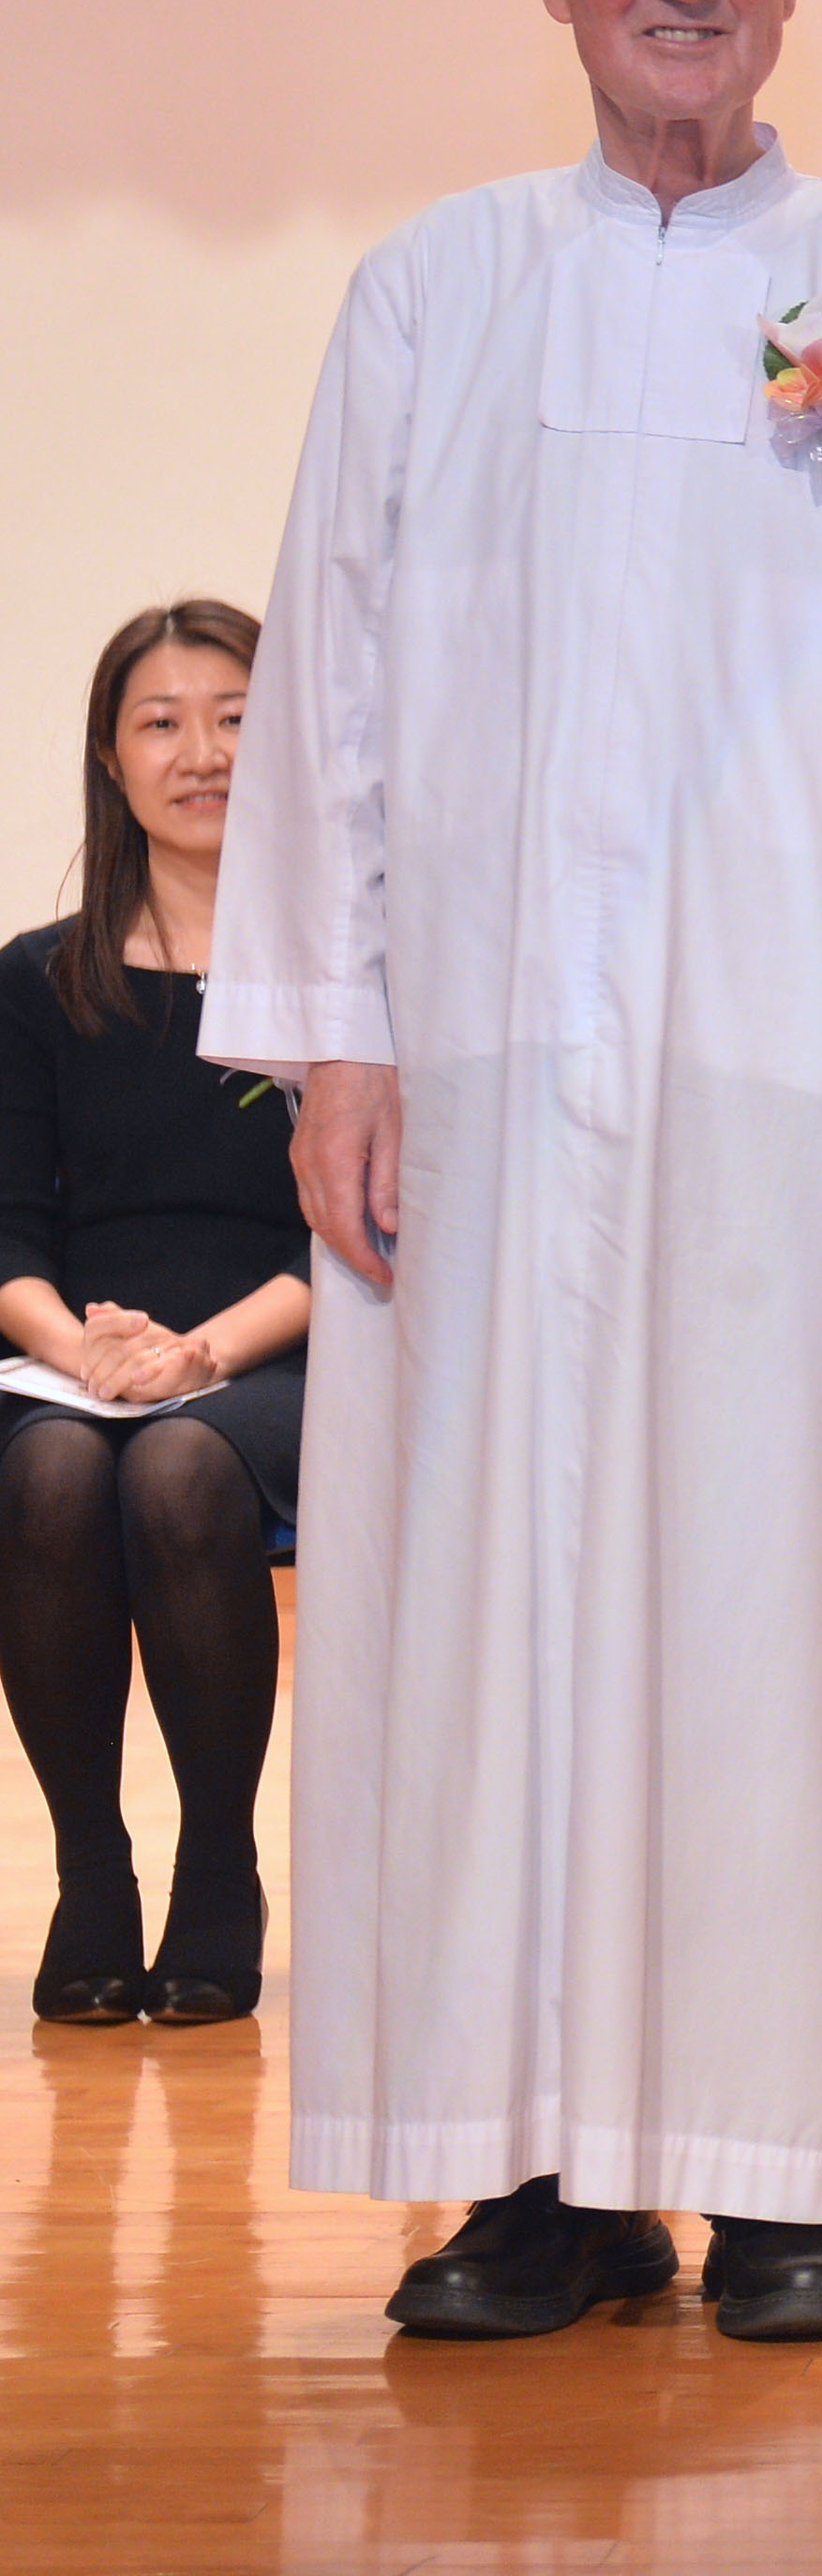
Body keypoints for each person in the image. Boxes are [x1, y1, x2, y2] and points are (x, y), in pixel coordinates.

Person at [202, 0, 822, 2345]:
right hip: (474, 1079)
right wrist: (333, 1034)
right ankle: (526, 2172)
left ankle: (779, 2168)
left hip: (811, 1080)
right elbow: (333, 675)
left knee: (786, 1603)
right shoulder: (432, 293)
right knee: (482, 1604)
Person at [0, 603, 309, 2026]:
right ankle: (90, 1871)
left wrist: (202, 1355)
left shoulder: (343, 982)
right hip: (77, 1356)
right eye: (163, 723)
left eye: (237, 718)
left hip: (284, 1347)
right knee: (56, 1470)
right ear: (110, 760)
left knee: (181, 1466)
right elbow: (10, 1227)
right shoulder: (37, 979)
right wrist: (81, 1349)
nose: (203, 753)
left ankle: (219, 1870)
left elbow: (365, 1226)